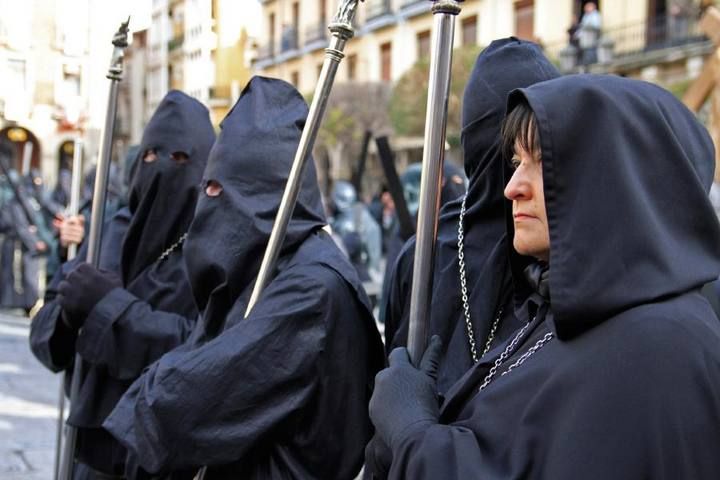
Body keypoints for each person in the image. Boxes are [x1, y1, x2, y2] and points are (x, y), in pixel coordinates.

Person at [369, 74, 720, 479]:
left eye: (543, 162)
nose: (512, 187)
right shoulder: (561, 308)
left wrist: (414, 435)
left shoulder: (661, 348)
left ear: (616, 176)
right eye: (517, 162)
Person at [103, 77, 384, 479]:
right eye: (207, 187)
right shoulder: (270, 269)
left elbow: (180, 402)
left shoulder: (310, 289)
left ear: (262, 193)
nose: (208, 201)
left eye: (221, 189)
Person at [366, 37, 560, 479]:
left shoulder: (565, 254)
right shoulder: (424, 255)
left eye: (537, 153)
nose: (516, 184)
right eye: (512, 154)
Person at [29, 90, 215, 479]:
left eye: (180, 159)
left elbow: (203, 350)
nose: (161, 167)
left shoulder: (213, 248)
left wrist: (114, 308)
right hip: (91, 450)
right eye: (150, 156)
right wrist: (67, 314)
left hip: (161, 456)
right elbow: (45, 332)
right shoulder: (109, 229)